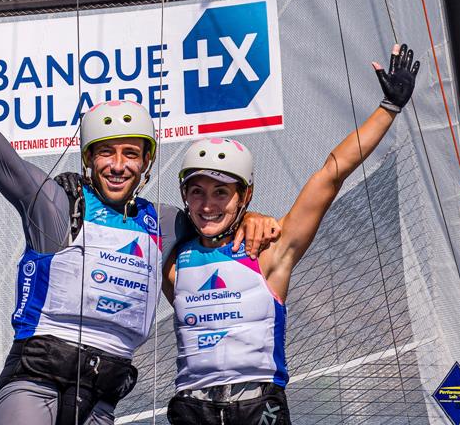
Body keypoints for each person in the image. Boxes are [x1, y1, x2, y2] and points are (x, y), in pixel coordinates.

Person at [0, 0, 279, 425]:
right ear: (89, 160)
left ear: (146, 163)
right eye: (106, 153)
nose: (118, 165)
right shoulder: (54, 204)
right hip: (34, 384)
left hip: (101, 400)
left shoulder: (165, 222)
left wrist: (254, 218)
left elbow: (216, 215)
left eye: (130, 153)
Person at [161, 44, 420, 424]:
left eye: (221, 192)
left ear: (243, 196)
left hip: (257, 405)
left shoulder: (270, 251)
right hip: (192, 409)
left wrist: (389, 108)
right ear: (185, 195)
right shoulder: (172, 264)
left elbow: (330, 176)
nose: (207, 205)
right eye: (197, 192)